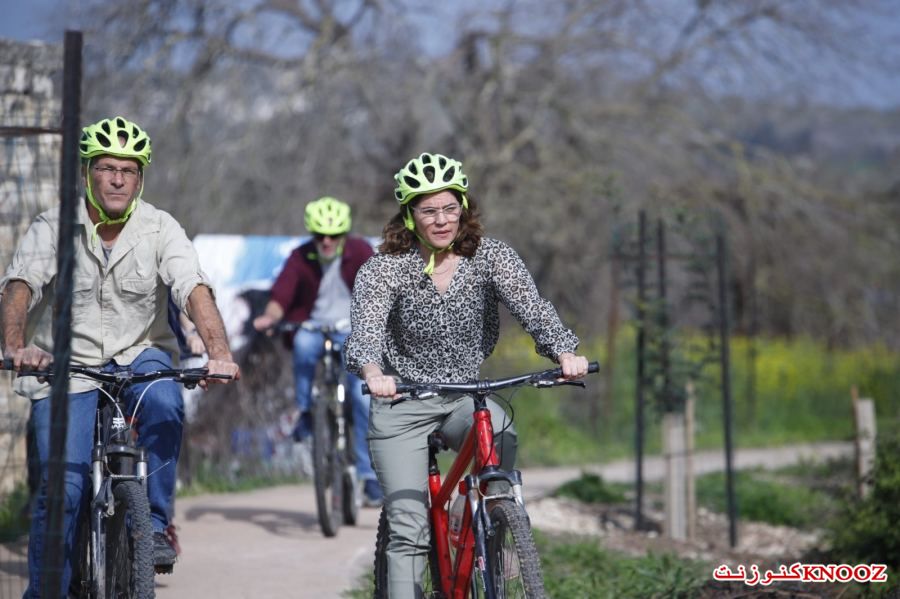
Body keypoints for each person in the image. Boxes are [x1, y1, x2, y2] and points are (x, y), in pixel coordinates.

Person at [0, 116, 240, 595]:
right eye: (107, 168)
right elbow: (21, 285)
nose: (117, 179)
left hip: (140, 355)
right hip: (67, 365)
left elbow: (192, 287)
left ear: (140, 178)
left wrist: (219, 352)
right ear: (87, 172)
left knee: (166, 402)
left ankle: (153, 525)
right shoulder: (53, 226)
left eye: (128, 171)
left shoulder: (161, 228)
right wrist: (15, 346)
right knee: (63, 492)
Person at [343, 152, 590, 598]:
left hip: (463, 396)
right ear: (409, 216)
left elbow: (532, 308)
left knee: (501, 431)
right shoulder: (384, 269)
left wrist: (564, 352)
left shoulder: (491, 257)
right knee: (409, 529)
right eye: (428, 210)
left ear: (463, 207)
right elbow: (366, 332)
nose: (441, 220)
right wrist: (374, 372)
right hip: (402, 401)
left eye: (449, 207)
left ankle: (483, 515)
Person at [252, 196, 383, 506]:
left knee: (362, 398)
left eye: (334, 235)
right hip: (313, 326)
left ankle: (369, 476)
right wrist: (270, 317)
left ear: (344, 234)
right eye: (320, 235)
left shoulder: (360, 251)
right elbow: (281, 295)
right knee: (302, 344)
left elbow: (379, 289)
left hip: (353, 329)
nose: (326, 241)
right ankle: (306, 412)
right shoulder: (301, 256)